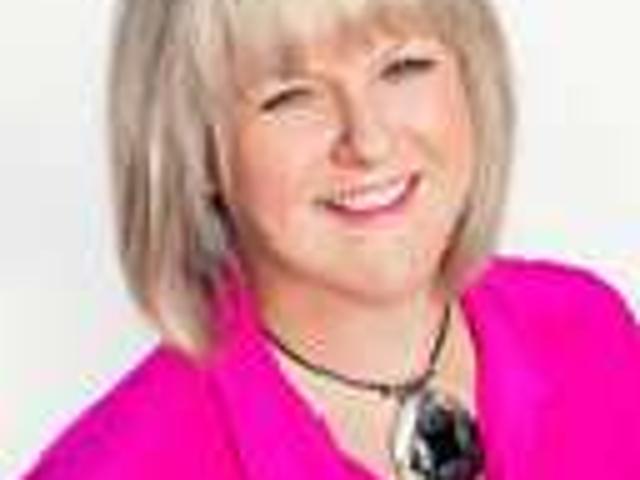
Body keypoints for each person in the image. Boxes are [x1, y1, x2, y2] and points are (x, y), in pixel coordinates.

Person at [26, 0, 640, 479]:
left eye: (403, 67)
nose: (368, 141)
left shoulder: (588, 332)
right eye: (290, 97)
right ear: (196, 150)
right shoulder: (117, 467)